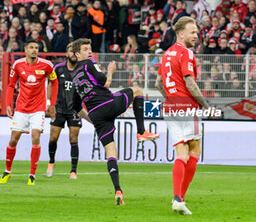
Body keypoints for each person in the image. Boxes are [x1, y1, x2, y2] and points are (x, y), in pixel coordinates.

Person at [70, 38, 159, 205]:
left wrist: (93, 120)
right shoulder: (90, 63)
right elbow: (107, 82)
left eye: (90, 48)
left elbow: (76, 106)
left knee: (111, 153)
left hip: (97, 115)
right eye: (85, 49)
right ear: (77, 54)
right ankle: (141, 132)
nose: (89, 52)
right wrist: (110, 70)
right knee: (137, 90)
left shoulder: (74, 76)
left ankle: (118, 191)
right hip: (107, 104)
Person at [155, 17, 218, 215]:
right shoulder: (186, 53)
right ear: (180, 34)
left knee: (181, 153)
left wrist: (172, 99)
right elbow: (190, 83)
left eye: (196, 32)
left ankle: (177, 198)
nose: (195, 35)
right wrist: (206, 106)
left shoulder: (166, 54)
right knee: (194, 151)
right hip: (187, 107)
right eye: (192, 32)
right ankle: (179, 198)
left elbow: (158, 83)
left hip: (171, 107)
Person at [0, 40, 58, 185]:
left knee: (35, 136)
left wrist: (52, 103)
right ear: (25, 49)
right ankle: (7, 171)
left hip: (38, 109)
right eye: (31, 47)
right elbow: (11, 85)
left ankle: (32, 174)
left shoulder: (46, 65)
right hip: (21, 108)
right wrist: (8, 104)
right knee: (13, 139)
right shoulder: (18, 65)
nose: (34, 50)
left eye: (36, 48)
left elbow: (55, 82)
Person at [46, 43, 90, 179]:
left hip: (74, 110)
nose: (73, 54)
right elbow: (50, 86)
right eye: (71, 51)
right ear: (67, 54)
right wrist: (49, 104)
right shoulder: (58, 69)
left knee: (73, 138)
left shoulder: (82, 70)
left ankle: (73, 170)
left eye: (75, 52)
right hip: (58, 108)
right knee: (53, 137)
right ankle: (51, 162)